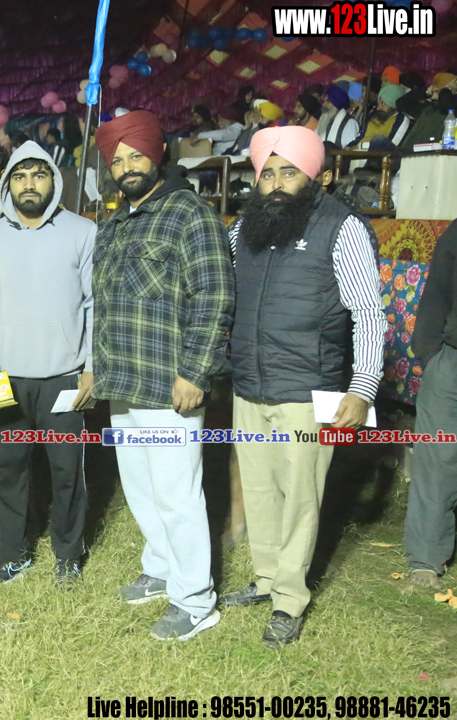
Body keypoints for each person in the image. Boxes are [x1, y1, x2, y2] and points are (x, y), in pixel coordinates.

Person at [222, 127, 384, 648]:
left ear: (319, 177)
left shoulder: (343, 228)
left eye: (288, 172)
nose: (275, 183)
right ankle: (267, 579)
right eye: (267, 173)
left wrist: (362, 387)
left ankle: (289, 600)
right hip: (250, 385)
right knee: (259, 489)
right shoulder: (243, 230)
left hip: (310, 389)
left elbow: (368, 313)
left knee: (300, 499)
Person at [90, 110, 233, 641]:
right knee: (141, 487)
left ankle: (195, 600)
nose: (127, 167)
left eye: (136, 156)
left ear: (159, 154)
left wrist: (195, 372)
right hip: (123, 381)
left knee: (177, 494)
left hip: (171, 384)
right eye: (117, 160)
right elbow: (104, 305)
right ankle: (162, 566)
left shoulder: (190, 214)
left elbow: (215, 296)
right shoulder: (114, 224)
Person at [0, 141, 94, 587]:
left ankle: (68, 553)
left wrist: (91, 367)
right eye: (19, 176)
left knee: (66, 471)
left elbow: (94, 303)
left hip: (64, 375)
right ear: (8, 183)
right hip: (3, 376)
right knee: (6, 469)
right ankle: (12, 554)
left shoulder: (83, 231)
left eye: (38, 175)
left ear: (53, 180)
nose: (29, 184)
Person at [404, 221, 457, 590]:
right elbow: (437, 292)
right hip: (450, 361)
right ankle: (426, 557)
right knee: (436, 460)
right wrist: (430, 355)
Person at [398, 72, 457, 150]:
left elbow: (447, 104)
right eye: (432, 92)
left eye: (438, 92)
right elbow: (401, 103)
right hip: (405, 153)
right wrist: (426, 91)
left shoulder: (451, 113)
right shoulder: (428, 109)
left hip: (430, 154)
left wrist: (447, 90)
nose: (433, 97)